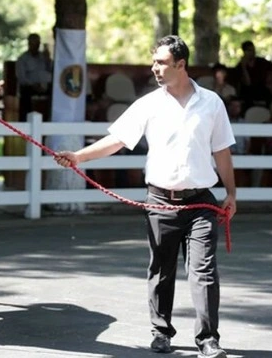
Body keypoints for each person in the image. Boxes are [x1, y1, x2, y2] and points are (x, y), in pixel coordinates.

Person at [55, 35, 236, 358]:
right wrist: (79, 156)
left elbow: (221, 151)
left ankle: (208, 339)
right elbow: (116, 140)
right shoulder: (149, 104)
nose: (154, 68)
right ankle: (161, 332)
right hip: (160, 202)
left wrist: (232, 193)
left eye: (161, 63)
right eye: (154, 62)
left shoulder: (211, 103)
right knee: (161, 271)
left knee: (204, 271)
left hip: (201, 203)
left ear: (181, 65)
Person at [15, 33, 52, 121]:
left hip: (45, 85)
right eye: (33, 43)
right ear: (29, 44)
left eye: (37, 43)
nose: (36, 46)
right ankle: (25, 122)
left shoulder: (43, 57)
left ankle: (50, 120)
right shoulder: (22, 59)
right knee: (25, 93)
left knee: (55, 92)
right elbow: (21, 78)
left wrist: (48, 59)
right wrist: (34, 85)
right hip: (29, 87)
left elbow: (51, 71)